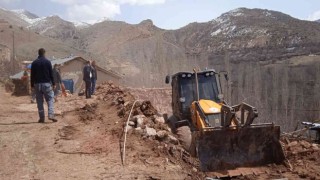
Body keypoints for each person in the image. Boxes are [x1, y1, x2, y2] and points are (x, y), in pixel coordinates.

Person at [31, 48, 57, 123]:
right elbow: (51, 74)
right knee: (50, 99)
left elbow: (32, 75)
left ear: (38, 53)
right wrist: (54, 83)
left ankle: (42, 118)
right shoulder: (48, 62)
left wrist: (32, 85)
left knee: (39, 102)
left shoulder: (34, 63)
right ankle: (51, 114)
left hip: (37, 85)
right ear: (44, 53)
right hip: (46, 84)